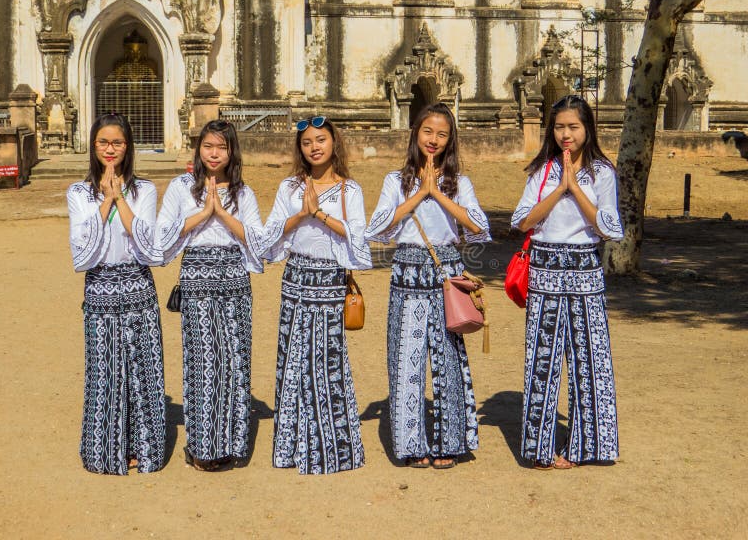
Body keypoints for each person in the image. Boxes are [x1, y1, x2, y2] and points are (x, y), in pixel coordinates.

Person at [365, 102, 491, 469]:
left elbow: (480, 228)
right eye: (427, 132)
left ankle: (449, 443)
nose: (433, 140)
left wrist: (438, 194)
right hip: (406, 273)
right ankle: (410, 444)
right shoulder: (396, 181)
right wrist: (420, 193)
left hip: (447, 276)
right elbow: (377, 230)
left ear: (450, 140)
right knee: (407, 360)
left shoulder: (460, 183)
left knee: (448, 358)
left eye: (442, 134)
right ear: (415, 134)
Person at [252, 115, 371, 475]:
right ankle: (290, 447)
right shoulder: (289, 186)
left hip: (330, 281)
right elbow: (268, 237)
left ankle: (331, 448)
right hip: (296, 279)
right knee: (293, 362)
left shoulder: (350, 190)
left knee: (327, 363)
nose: (314, 147)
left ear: (334, 143)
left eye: (320, 140)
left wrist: (317, 213)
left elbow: (358, 239)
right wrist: (299, 213)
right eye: (307, 143)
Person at [511, 94, 622, 470]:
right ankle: (539, 449)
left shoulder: (603, 172)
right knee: (542, 361)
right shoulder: (542, 171)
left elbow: (608, 227)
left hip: (585, 271)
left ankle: (585, 446)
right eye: (559, 127)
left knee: (588, 360)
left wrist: (576, 187)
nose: (566, 134)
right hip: (543, 271)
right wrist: (560, 186)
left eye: (573, 126)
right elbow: (523, 221)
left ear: (588, 128)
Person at [155, 120, 263, 472]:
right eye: (207, 146)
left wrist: (222, 214)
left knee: (234, 359)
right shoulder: (180, 187)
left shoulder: (243, 193)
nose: (214, 153)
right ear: (198, 150)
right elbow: (161, 237)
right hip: (197, 275)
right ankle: (202, 446)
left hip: (234, 276)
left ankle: (232, 445)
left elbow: (258, 241)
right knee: (204, 360)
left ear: (232, 151)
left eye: (221, 147)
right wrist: (203, 213)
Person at [67, 112, 165, 475]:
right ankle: (105, 450)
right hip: (100, 288)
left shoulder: (146, 190)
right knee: (105, 371)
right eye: (103, 142)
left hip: (138, 285)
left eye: (117, 143)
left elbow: (149, 248)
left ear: (128, 147)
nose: (110, 150)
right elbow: (81, 253)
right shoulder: (78, 193)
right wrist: (105, 201)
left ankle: (144, 448)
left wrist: (120, 197)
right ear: (93, 146)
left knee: (143, 370)